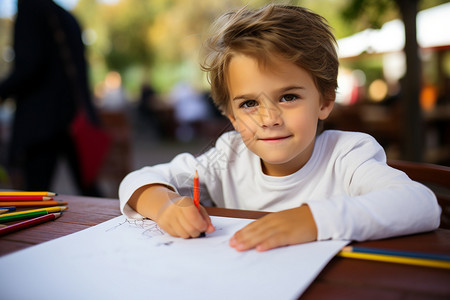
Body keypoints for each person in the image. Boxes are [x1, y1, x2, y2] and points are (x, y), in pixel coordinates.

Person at [118, 4, 441, 252]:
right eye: (248, 104)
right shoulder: (228, 156)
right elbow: (138, 179)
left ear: (325, 101)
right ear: (230, 116)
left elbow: (420, 204)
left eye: (288, 97)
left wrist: (313, 219)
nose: (269, 118)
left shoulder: (348, 154)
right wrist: (166, 206)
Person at [0, 0, 101, 196]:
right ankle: (112, 226)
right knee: (89, 188)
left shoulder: (30, 8)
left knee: (35, 197)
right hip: (77, 118)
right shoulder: (67, 17)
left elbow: (28, 67)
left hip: (42, 122)